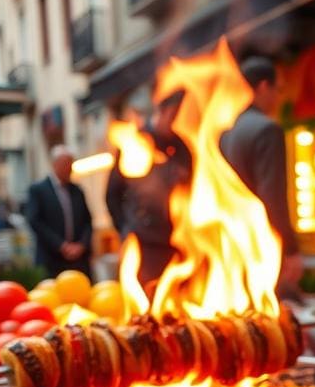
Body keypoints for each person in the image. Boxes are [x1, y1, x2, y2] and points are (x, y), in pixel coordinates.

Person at [219, 55, 303, 297]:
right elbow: (272, 195)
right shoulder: (267, 129)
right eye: (278, 90)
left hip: (230, 249)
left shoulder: (225, 132)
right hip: (261, 247)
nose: (278, 97)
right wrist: (289, 249)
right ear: (263, 86)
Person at [105, 92, 192, 285]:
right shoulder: (134, 140)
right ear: (162, 112)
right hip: (144, 242)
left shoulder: (183, 148)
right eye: (175, 117)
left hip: (178, 242)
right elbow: (113, 194)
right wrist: (126, 228)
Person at [27, 146, 92, 278]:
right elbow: (35, 221)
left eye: (71, 164)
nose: (69, 168)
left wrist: (81, 245)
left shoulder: (77, 191)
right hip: (51, 259)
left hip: (78, 260)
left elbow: (88, 222)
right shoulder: (39, 190)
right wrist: (61, 245)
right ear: (55, 164)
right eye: (66, 164)